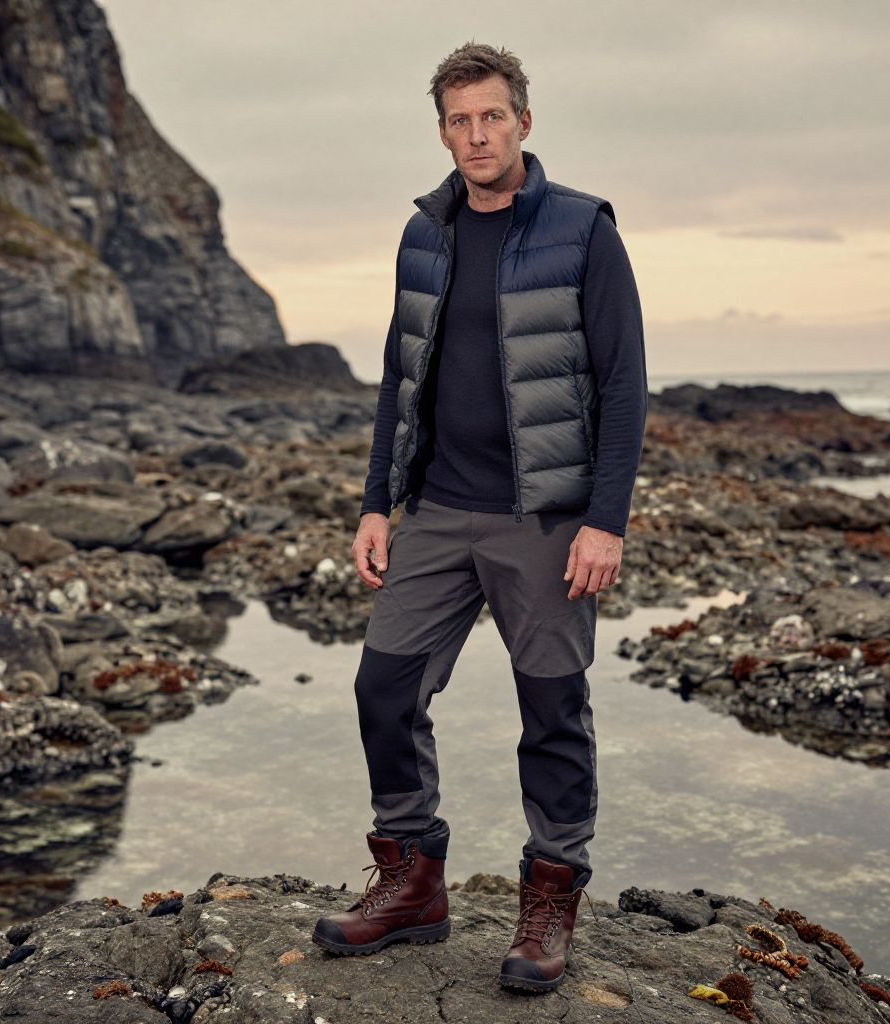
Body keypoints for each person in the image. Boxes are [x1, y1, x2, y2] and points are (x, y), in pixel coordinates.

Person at [312, 41, 647, 993]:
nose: (475, 135)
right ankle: (412, 880)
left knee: (551, 711)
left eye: (491, 116)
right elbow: (398, 376)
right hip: (439, 511)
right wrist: (378, 500)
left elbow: (623, 384)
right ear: (443, 131)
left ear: (524, 122)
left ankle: (550, 898)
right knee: (383, 690)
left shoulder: (584, 229)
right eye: (458, 120)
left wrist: (605, 520)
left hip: (546, 520)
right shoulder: (424, 233)